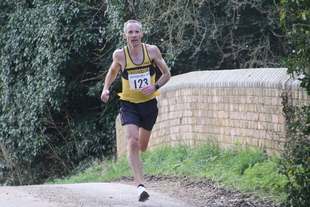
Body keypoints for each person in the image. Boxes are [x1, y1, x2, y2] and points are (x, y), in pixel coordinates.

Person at [101, 20, 171, 202]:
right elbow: (112, 71)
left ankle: (140, 176)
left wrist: (154, 86)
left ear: (142, 34)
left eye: (136, 32)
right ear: (125, 36)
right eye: (129, 32)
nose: (133, 35)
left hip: (148, 104)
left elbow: (167, 74)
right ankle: (140, 187)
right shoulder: (120, 55)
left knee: (142, 146)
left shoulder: (152, 51)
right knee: (132, 142)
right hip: (129, 104)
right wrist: (106, 89)